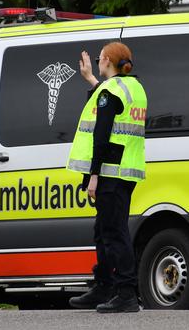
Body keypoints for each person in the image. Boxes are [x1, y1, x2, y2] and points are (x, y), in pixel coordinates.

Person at [66, 42, 147, 313]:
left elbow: (100, 137)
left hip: (110, 172)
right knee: (103, 231)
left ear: (108, 61)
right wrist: (89, 77)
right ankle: (104, 285)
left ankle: (125, 293)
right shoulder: (133, 87)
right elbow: (107, 104)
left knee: (114, 233)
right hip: (126, 171)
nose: (97, 61)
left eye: (100, 58)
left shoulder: (111, 91)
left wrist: (93, 176)